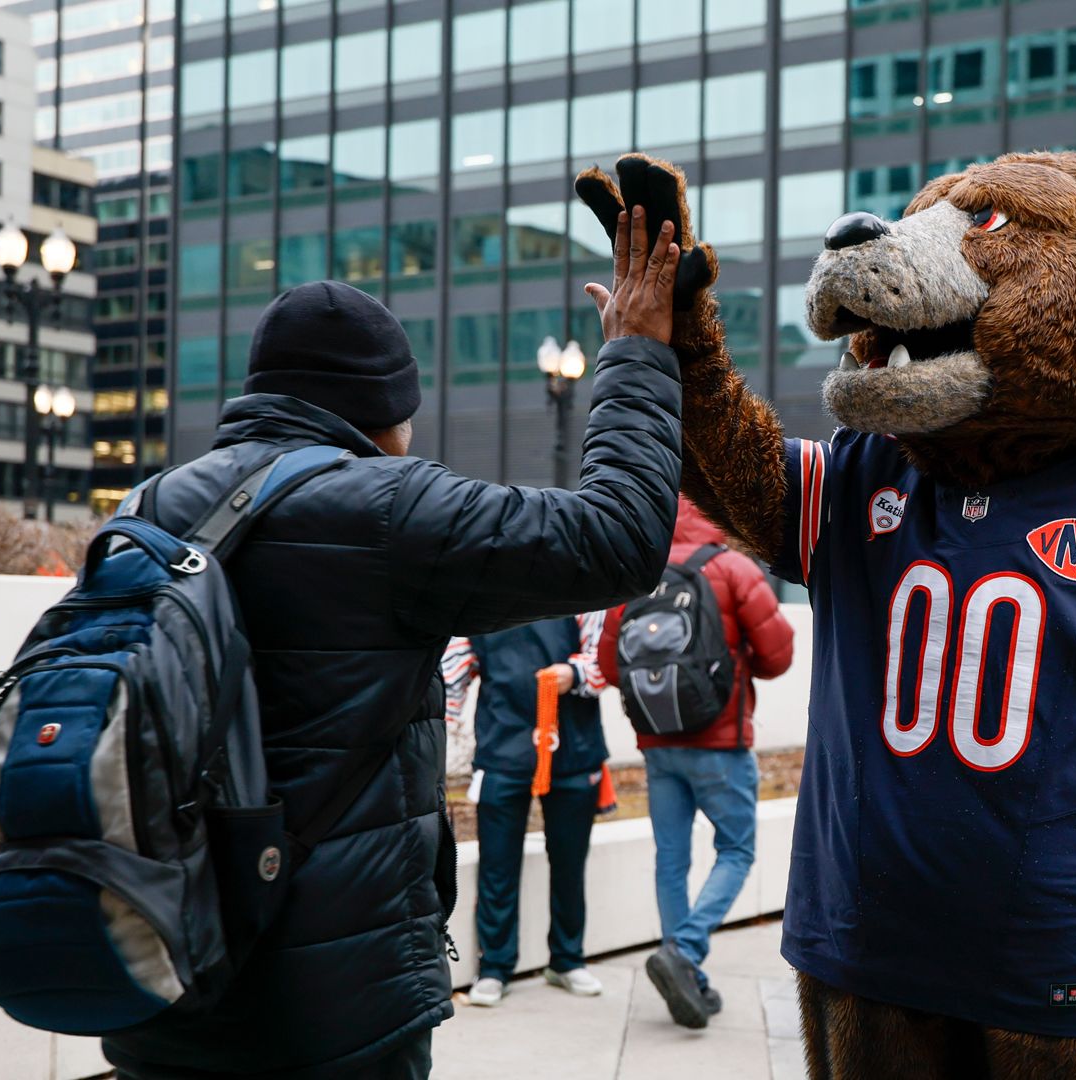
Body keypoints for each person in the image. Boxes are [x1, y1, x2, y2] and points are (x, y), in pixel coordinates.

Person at [99, 212, 685, 1080]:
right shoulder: (391, 508)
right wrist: (635, 356)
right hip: (337, 1011)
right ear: (384, 409)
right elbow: (622, 539)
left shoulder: (144, 509)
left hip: (161, 980)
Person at [583, 496, 794, 1028]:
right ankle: (687, 952)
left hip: (658, 747)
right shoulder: (732, 568)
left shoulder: (636, 577)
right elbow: (778, 655)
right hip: (719, 744)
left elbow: (609, 666)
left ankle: (689, 975)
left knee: (670, 861)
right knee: (738, 850)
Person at [443, 618, 611, 1007]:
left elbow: (605, 660)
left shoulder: (583, 587)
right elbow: (450, 676)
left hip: (573, 747)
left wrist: (574, 672)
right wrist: (441, 728)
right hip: (503, 749)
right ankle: (495, 967)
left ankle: (568, 959)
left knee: (569, 863)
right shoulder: (480, 599)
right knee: (497, 866)